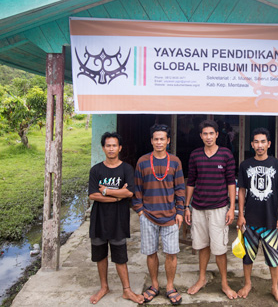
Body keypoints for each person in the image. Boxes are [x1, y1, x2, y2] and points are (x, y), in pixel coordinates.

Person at [88, 132, 144, 304]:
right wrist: (118, 196)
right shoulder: (96, 170)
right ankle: (104, 287)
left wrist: (106, 190)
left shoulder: (126, 169)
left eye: (114, 145)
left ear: (120, 148)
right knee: (100, 255)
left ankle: (126, 290)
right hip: (99, 219)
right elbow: (92, 195)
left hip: (118, 220)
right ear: (103, 148)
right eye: (108, 145)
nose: (111, 148)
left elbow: (130, 192)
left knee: (120, 255)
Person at [133, 124, 185, 305]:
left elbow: (180, 188)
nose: (159, 142)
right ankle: (154, 285)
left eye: (162, 138)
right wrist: (140, 211)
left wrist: (180, 212)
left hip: (170, 217)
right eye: (156, 139)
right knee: (151, 253)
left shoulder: (175, 161)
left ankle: (170, 286)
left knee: (171, 253)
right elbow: (136, 189)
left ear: (168, 141)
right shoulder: (142, 161)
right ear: (151, 141)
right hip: (148, 216)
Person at [184, 120, 237, 299]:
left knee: (220, 248)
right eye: (205, 134)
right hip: (198, 208)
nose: (208, 137)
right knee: (202, 245)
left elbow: (231, 182)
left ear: (216, 135)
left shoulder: (226, 154)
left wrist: (231, 208)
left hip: (219, 208)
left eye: (211, 133)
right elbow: (191, 181)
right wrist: (187, 206)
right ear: (201, 136)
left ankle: (224, 283)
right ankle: (201, 279)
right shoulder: (195, 155)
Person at [236, 127, 278, 304]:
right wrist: (241, 214)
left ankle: (274, 287)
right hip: (250, 220)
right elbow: (241, 190)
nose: (259, 145)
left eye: (263, 142)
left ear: (269, 144)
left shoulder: (277, 165)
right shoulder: (245, 165)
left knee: (274, 257)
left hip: (270, 220)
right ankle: (247, 284)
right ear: (252, 144)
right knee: (248, 256)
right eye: (256, 142)